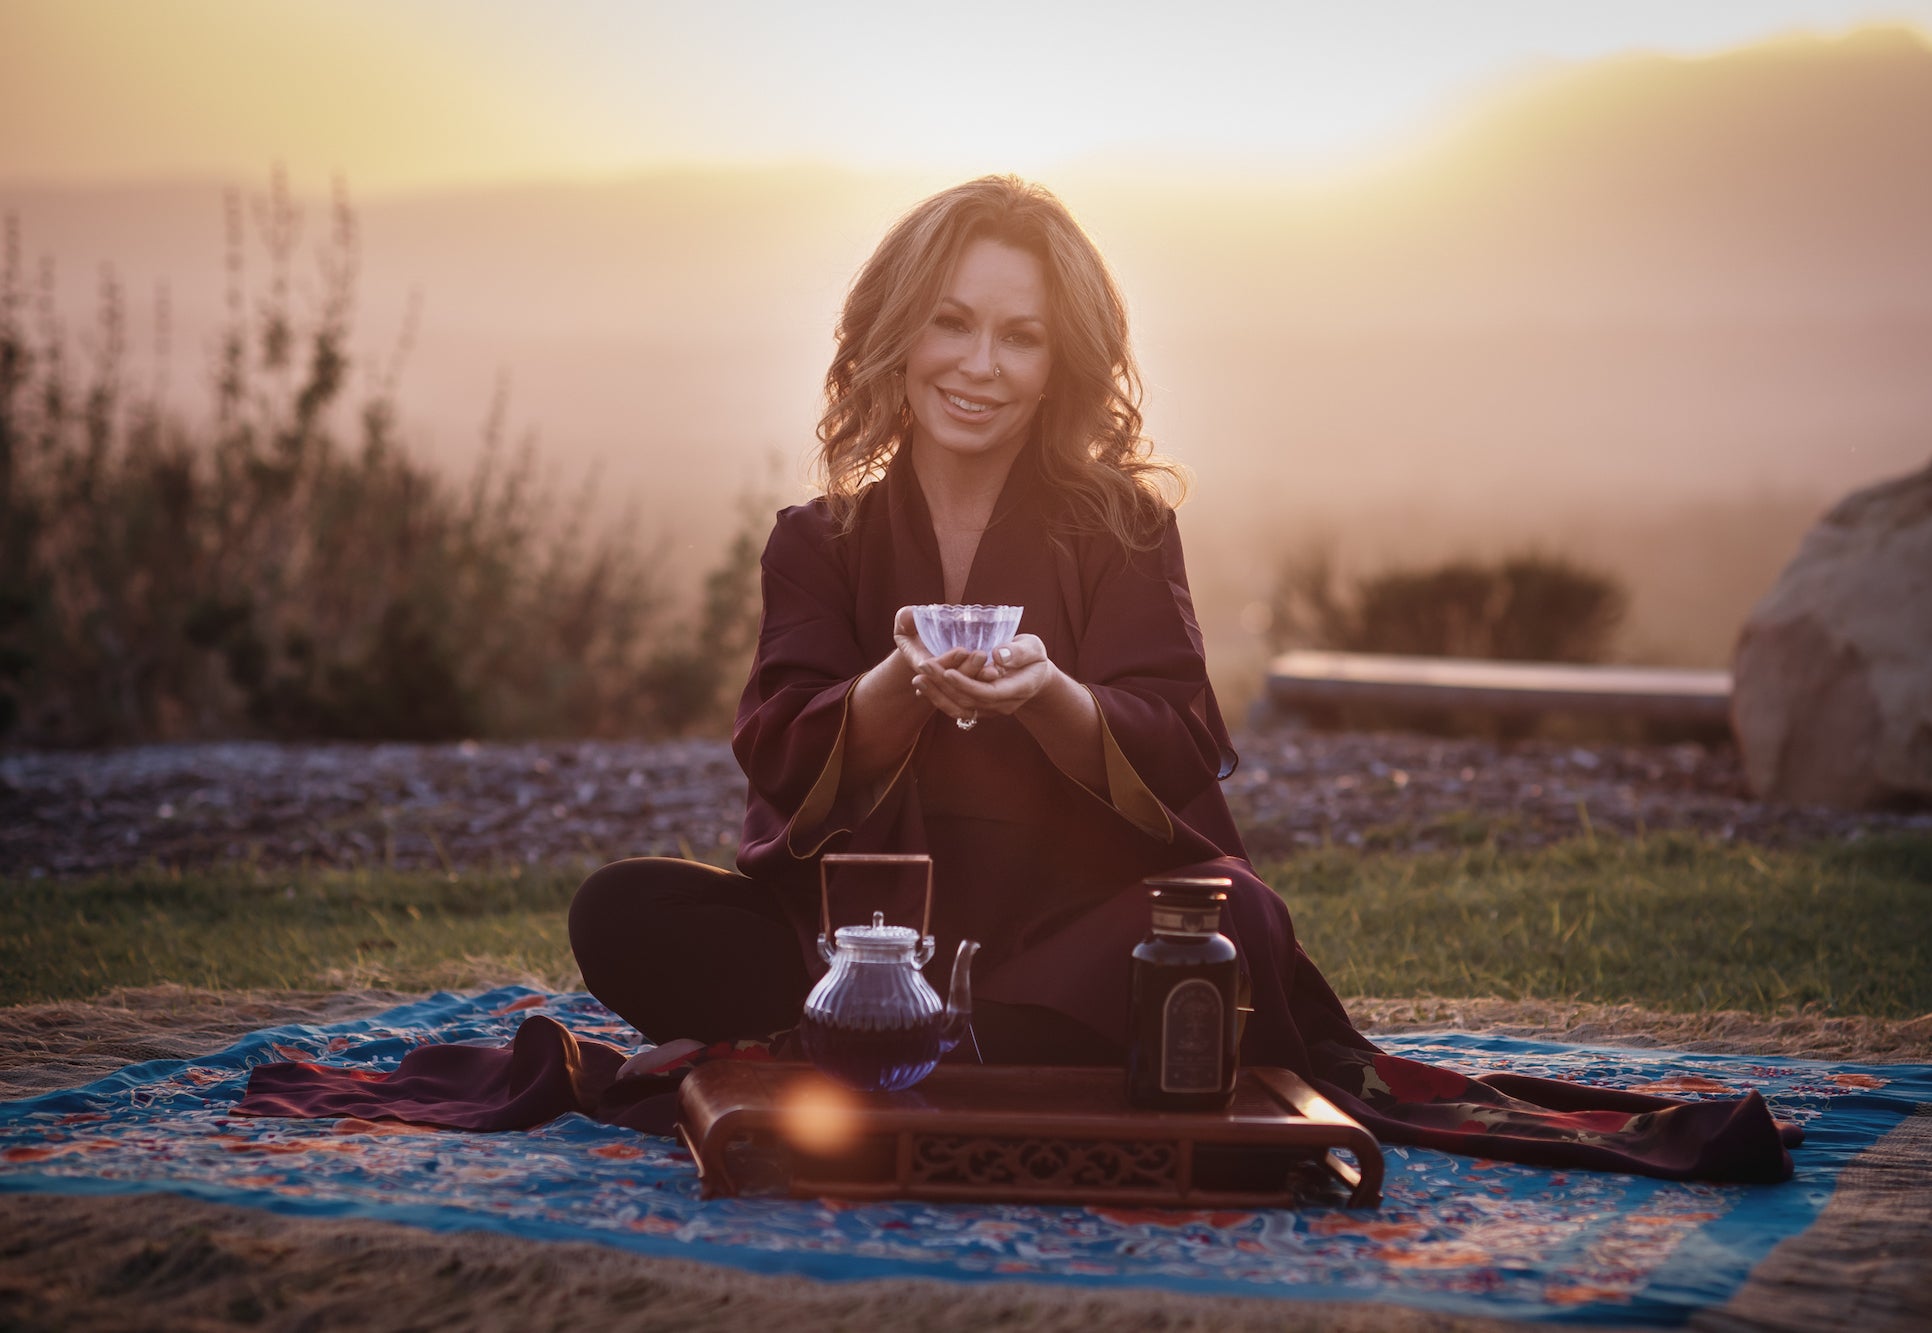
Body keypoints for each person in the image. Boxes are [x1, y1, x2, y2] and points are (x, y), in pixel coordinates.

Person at [566, 176, 1799, 1181]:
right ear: (895, 333)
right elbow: (782, 749)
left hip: (1065, 926)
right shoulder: (816, 541)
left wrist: (1046, 692)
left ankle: (930, 1036)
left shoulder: (1117, 529)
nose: (979, 364)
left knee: (1232, 926)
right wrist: (896, 682)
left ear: (1061, 364)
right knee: (620, 909)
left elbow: (1175, 738)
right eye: (951, 321)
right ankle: (933, 1025)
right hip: (864, 938)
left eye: (1019, 335)